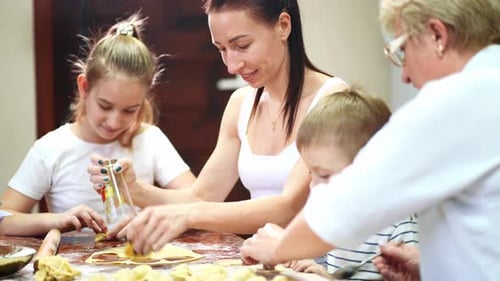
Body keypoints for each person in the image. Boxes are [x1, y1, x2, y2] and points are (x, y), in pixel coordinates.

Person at [240, 0, 500, 280]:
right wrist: (430, 266)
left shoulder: (456, 99)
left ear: (437, 35)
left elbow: (347, 204)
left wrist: (280, 247)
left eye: (402, 51)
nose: (405, 74)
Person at [87, 0, 348, 254]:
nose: (231, 65)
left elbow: (288, 207)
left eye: (242, 46)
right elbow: (202, 197)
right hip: (267, 263)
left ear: (283, 25)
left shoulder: (332, 100)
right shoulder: (241, 103)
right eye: (221, 49)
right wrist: (135, 190)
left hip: (318, 268)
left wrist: (187, 215)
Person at [0, 12, 195, 237]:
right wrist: (58, 220)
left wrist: (144, 203)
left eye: (130, 110)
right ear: (84, 87)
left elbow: (199, 204)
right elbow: (4, 219)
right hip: (74, 268)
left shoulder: (150, 139)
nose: (114, 121)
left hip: (137, 264)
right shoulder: (51, 148)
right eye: (104, 106)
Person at [283, 90, 418, 280]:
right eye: (310, 173)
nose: (313, 186)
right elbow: (328, 271)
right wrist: (313, 268)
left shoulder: (399, 227)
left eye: (324, 175)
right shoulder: (332, 217)